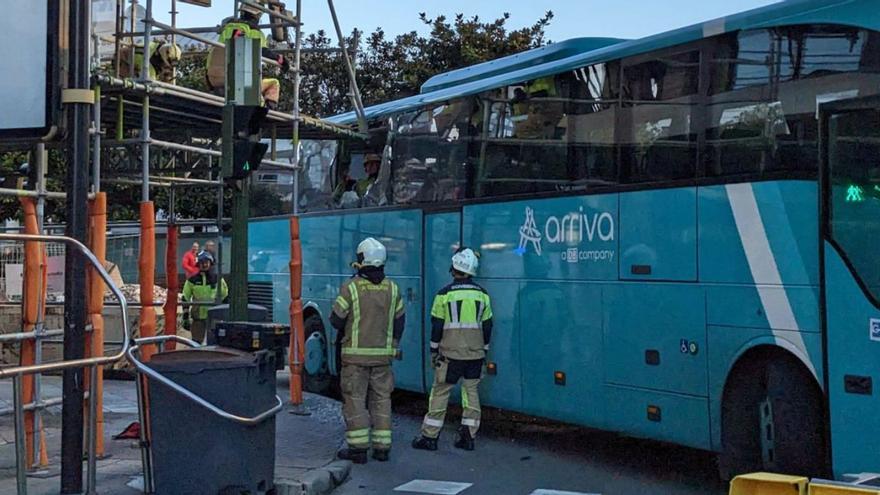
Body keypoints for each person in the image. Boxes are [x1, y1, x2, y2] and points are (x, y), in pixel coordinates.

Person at [331, 238, 405, 464]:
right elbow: (400, 321)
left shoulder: (351, 288)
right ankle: (382, 448)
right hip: (383, 358)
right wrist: (391, 343)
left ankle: (358, 450)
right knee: (382, 399)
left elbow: (336, 319)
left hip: (355, 359)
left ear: (362, 259)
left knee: (355, 401)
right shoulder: (393, 289)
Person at [412, 248, 493, 452]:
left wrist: (433, 349)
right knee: (471, 392)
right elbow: (488, 325)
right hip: (475, 354)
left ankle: (430, 437)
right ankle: (468, 436)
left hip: (449, 354)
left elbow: (437, 325)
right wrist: (484, 349)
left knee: (440, 392)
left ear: (453, 269)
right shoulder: (483, 295)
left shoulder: (443, 295)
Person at [205, 4, 290, 110]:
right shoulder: (254, 31)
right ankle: (267, 111)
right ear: (258, 16)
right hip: (237, 80)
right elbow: (263, 51)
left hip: (213, 79)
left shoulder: (227, 28)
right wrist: (280, 59)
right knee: (273, 83)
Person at [182, 251, 228, 344]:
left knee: (214, 343)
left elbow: (225, 296)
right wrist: (185, 317)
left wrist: (225, 315)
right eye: (202, 262)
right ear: (198, 264)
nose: (204, 264)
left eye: (206, 262)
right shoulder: (192, 280)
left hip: (214, 317)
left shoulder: (217, 279)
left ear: (211, 263)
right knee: (196, 344)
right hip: (198, 317)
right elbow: (185, 298)